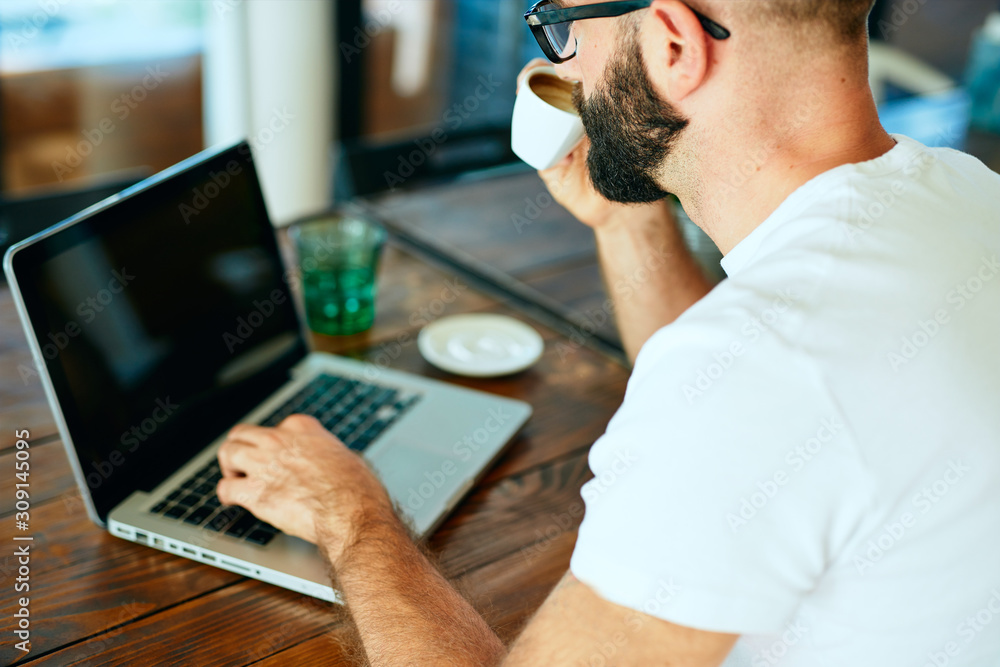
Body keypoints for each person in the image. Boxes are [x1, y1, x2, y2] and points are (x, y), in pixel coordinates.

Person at [216, 0, 1000, 664]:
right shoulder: (966, 194)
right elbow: (755, 405)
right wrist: (624, 224)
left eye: (561, 26)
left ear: (672, 45)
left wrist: (350, 515)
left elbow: (758, 391)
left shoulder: (768, 365)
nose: (567, 71)